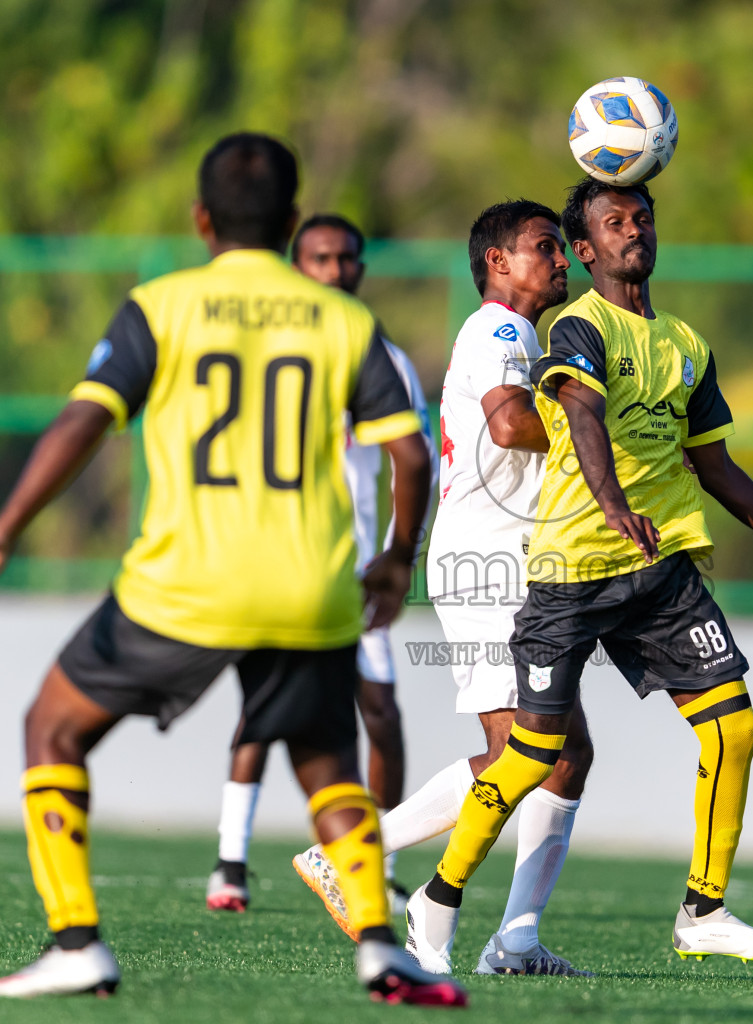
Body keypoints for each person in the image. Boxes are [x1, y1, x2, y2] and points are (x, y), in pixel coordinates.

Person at [0, 132, 464, 1008]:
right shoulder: (344, 321)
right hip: (309, 587)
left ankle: (77, 943)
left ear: (201, 218)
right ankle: (381, 948)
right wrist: (393, 562)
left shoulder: (162, 305)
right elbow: (410, 458)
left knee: (53, 728)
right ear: (292, 222)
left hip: (184, 583)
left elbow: (83, 422)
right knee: (330, 764)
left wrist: (3, 528)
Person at [402, 178, 753, 970]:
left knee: (736, 724)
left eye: (643, 218)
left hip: (659, 567)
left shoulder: (687, 346)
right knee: (530, 753)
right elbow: (578, 414)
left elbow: (717, 467)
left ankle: (703, 911)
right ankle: (437, 897)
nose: (634, 231)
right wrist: (611, 498)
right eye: (612, 222)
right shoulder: (575, 329)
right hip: (573, 563)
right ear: (586, 249)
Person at [294, 199, 592, 976]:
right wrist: (597, 430)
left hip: (522, 557)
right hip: (490, 559)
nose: (561, 260)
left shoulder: (523, 336)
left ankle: (518, 940)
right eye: (544, 247)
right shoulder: (498, 327)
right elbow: (509, 425)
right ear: (498, 262)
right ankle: (349, 856)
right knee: (520, 752)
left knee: (564, 754)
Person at [207, 213, 435, 915]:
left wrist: (401, 552)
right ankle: (230, 862)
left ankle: (378, 864)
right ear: (295, 264)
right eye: (319, 259)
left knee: (381, 715)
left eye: (346, 260)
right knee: (262, 707)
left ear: (361, 269)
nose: (334, 272)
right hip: (269, 558)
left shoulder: (381, 358)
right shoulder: (262, 346)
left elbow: (413, 459)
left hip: (351, 569)